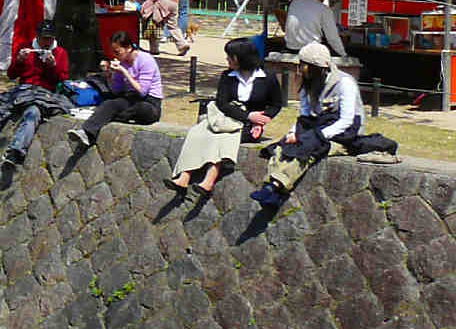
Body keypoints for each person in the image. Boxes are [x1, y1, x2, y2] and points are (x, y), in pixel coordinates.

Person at [252, 42, 363, 208]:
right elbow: (304, 115)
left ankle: (277, 186)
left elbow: (346, 121)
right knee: (281, 146)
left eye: (304, 66)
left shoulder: (344, 83)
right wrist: (293, 133)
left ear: (316, 67)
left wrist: (314, 136)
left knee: (307, 149)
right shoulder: (308, 83)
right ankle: (269, 186)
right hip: (316, 125)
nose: (300, 70)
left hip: (342, 133)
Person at [170, 37, 283, 195]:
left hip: (249, 126)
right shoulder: (227, 76)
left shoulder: (267, 77)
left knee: (225, 137)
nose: (227, 59)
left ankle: (210, 178)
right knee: (197, 132)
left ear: (239, 58)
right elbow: (222, 104)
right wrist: (248, 115)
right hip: (225, 118)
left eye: (230, 56)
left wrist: (261, 121)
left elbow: (276, 104)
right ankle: (184, 175)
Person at [0, 19, 69, 172]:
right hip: (21, 91)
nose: (46, 42)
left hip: (43, 93)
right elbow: (11, 75)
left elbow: (62, 80)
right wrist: (19, 61)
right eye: (43, 38)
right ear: (37, 36)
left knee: (33, 113)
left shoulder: (60, 53)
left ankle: (15, 152)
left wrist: (53, 66)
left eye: (50, 38)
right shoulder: (25, 48)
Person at [68, 29, 163, 148]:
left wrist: (124, 72)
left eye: (118, 52)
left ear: (128, 48)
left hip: (150, 102)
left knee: (140, 109)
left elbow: (143, 91)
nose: (115, 56)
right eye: (114, 53)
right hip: (131, 98)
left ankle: (112, 116)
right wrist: (110, 76)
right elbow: (117, 90)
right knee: (110, 104)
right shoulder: (121, 63)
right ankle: (86, 132)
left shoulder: (145, 60)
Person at [282, 0, 347, 57]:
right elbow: (332, 38)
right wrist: (343, 55)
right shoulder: (324, 9)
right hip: (310, 52)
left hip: (289, 48)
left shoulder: (294, 3)